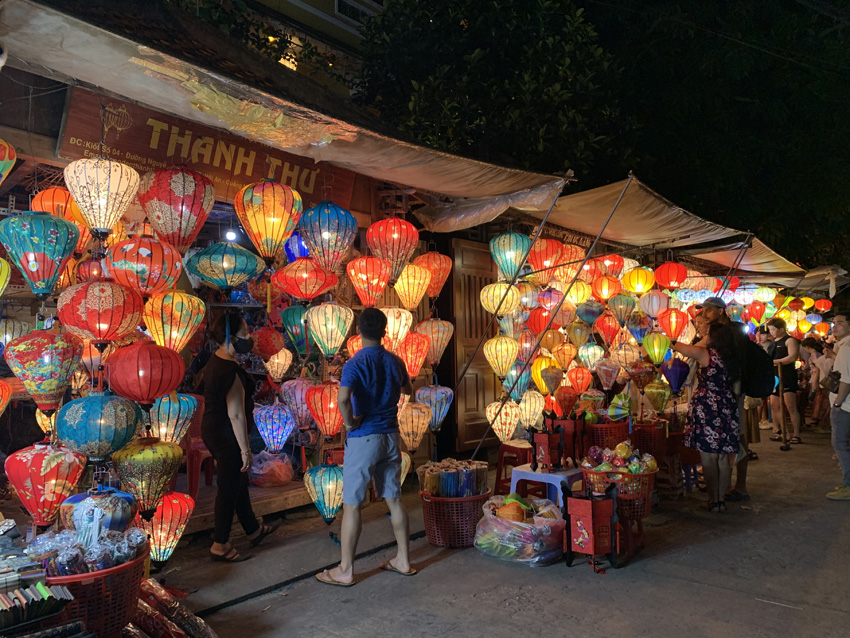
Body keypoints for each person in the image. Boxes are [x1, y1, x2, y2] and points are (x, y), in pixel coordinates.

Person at [318, 308, 415, 587]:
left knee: (353, 506)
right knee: (394, 499)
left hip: (364, 438)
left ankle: (346, 570)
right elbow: (409, 390)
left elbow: (344, 399)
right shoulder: (396, 361)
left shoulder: (355, 363)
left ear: (358, 332)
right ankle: (403, 560)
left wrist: (350, 424)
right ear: (385, 331)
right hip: (390, 437)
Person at [201, 314, 280, 562]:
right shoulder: (230, 370)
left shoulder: (216, 361)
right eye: (245, 334)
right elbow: (235, 414)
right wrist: (245, 450)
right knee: (228, 488)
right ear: (231, 338)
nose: (250, 338)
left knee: (237, 481)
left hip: (214, 428)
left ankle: (253, 531)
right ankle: (220, 544)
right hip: (225, 433)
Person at [674, 322, 741, 512]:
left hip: (707, 407)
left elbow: (678, 346)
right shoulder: (733, 359)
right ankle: (721, 500)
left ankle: (713, 501)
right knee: (722, 457)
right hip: (727, 406)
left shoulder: (707, 355)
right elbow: (736, 389)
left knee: (708, 458)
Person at [766, 317, 802, 443]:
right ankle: (785, 433)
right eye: (770, 330)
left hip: (786, 375)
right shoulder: (773, 343)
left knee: (790, 405)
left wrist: (774, 362)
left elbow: (792, 357)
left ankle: (796, 434)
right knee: (775, 405)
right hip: (774, 376)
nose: (771, 332)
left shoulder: (790, 340)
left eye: (773, 329)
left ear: (781, 329)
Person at [827, 313, 850, 500]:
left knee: (840, 444)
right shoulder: (843, 346)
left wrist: (837, 403)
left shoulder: (847, 348)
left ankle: (848, 485)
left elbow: (846, 381)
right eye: (833, 323)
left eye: (840, 323)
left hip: (845, 405)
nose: (835, 327)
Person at [801, 337, 832, 429]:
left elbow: (817, 369)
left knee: (818, 400)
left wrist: (815, 382)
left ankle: (819, 420)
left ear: (806, 346)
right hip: (815, 377)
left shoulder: (814, 355)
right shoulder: (816, 354)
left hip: (817, 378)